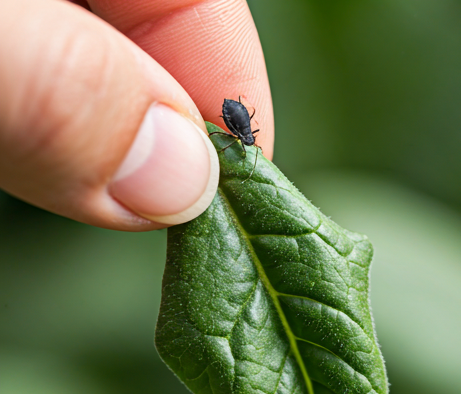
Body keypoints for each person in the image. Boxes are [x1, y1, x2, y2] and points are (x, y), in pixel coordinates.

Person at [0, 0, 274, 230]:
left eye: (248, 142)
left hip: (235, 113)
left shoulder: (244, 135)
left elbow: (239, 125)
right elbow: (235, 129)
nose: (247, 142)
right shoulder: (240, 136)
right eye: (248, 142)